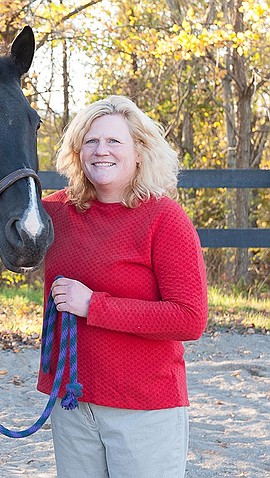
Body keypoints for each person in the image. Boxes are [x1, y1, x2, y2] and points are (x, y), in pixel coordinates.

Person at [39, 95, 208, 477]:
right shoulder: (55, 212)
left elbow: (190, 318)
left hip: (144, 408)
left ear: (139, 152)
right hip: (74, 403)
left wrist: (94, 305)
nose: (101, 151)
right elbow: (1, 219)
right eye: (91, 141)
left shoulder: (164, 219)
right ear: (77, 152)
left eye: (114, 141)